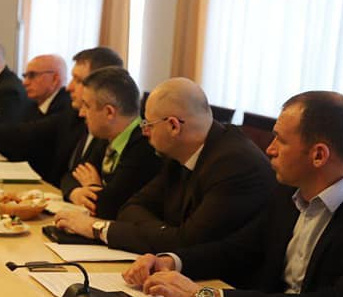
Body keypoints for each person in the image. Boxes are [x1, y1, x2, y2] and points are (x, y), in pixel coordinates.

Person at [123, 91, 343, 297]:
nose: (269, 149)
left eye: (280, 140)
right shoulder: (289, 190)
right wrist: (171, 261)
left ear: (319, 155)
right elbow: (239, 249)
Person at [56, 77, 275, 252]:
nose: (144, 132)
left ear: (173, 126)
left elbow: (185, 243)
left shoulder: (233, 165)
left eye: (148, 124)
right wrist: (166, 233)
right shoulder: (178, 152)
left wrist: (98, 228)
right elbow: (130, 208)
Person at [0, 47, 123, 188]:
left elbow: (25, 140)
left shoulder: (78, 114)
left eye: (78, 80)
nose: (69, 87)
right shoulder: (64, 111)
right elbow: (21, 134)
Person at [56, 67, 161, 219]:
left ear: (109, 112)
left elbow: (109, 207)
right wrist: (76, 193)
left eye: (87, 106)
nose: (81, 113)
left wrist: (92, 187)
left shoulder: (144, 147)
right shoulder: (105, 137)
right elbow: (70, 176)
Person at [16, 54, 71, 121]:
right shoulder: (30, 106)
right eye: (25, 76)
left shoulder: (67, 109)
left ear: (55, 79)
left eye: (32, 75)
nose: (25, 83)